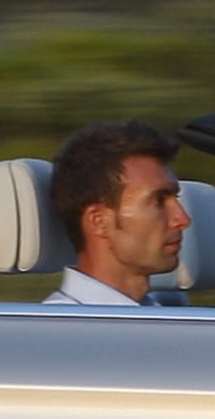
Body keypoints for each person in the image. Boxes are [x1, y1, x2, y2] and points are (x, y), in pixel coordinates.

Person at [48, 120, 186, 306]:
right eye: (158, 201)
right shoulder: (63, 329)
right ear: (99, 221)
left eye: (175, 198)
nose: (183, 219)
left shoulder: (160, 315)